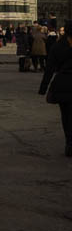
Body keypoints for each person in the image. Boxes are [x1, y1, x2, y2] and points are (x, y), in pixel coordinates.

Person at [39, 20, 72, 156]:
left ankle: (70, 143)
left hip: (63, 84)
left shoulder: (58, 46)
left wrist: (43, 87)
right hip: (64, 85)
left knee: (67, 116)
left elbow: (50, 69)